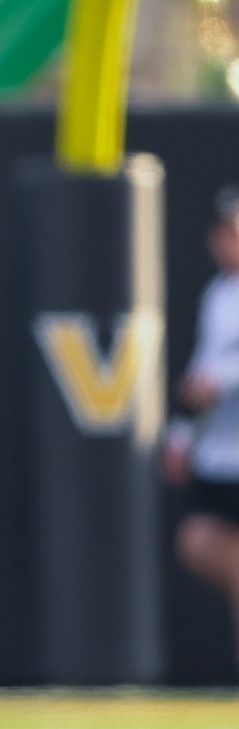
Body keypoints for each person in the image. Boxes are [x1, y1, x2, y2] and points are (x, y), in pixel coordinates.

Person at [164, 185, 239, 669]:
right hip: (221, 458)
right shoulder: (219, 293)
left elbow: (219, 374)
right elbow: (204, 368)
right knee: (198, 541)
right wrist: (180, 436)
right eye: (225, 233)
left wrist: (220, 382)